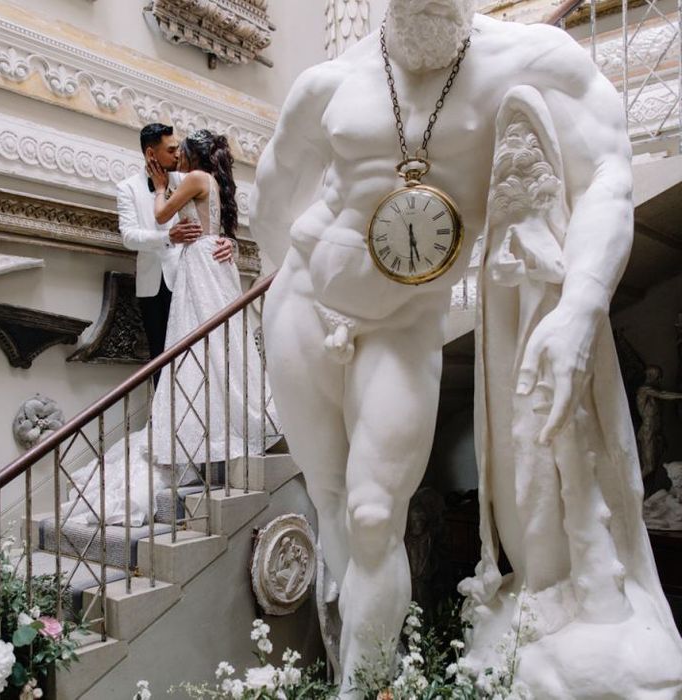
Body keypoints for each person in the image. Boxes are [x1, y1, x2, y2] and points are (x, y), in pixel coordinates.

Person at [248, 0, 681, 696]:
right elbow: (270, 200)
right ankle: (351, 672)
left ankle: (362, 688)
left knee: (373, 516)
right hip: (302, 302)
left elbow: (609, 176)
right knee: (328, 502)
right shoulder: (330, 82)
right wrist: (298, 278)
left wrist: (579, 305)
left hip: (403, 322)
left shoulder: (531, 59)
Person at [147, 130, 279, 469]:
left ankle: (210, 434)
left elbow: (162, 215)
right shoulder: (212, 181)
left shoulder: (194, 177)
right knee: (219, 340)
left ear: (193, 155)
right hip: (212, 259)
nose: (177, 157)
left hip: (201, 261)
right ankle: (222, 426)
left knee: (199, 335)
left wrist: (160, 189)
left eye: (182, 151)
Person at [116, 123, 233, 370]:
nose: (178, 154)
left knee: (201, 352)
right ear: (150, 154)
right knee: (161, 359)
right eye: (171, 150)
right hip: (153, 285)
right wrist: (168, 237)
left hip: (192, 277)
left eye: (179, 148)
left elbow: (212, 219)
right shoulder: (128, 188)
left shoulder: (189, 176)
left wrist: (228, 241)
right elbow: (129, 236)